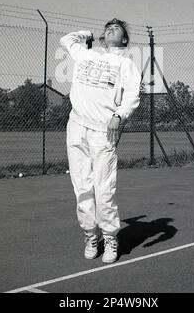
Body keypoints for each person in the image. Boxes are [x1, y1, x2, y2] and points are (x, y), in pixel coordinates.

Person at [60, 18, 141, 263]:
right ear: (102, 36)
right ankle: (90, 235)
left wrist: (119, 115)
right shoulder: (86, 55)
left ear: (124, 39)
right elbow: (66, 40)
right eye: (108, 27)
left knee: (103, 188)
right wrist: (86, 34)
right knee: (82, 187)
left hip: (103, 132)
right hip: (76, 127)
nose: (111, 28)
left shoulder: (126, 64)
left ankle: (110, 237)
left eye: (117, 28)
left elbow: (133, 95)